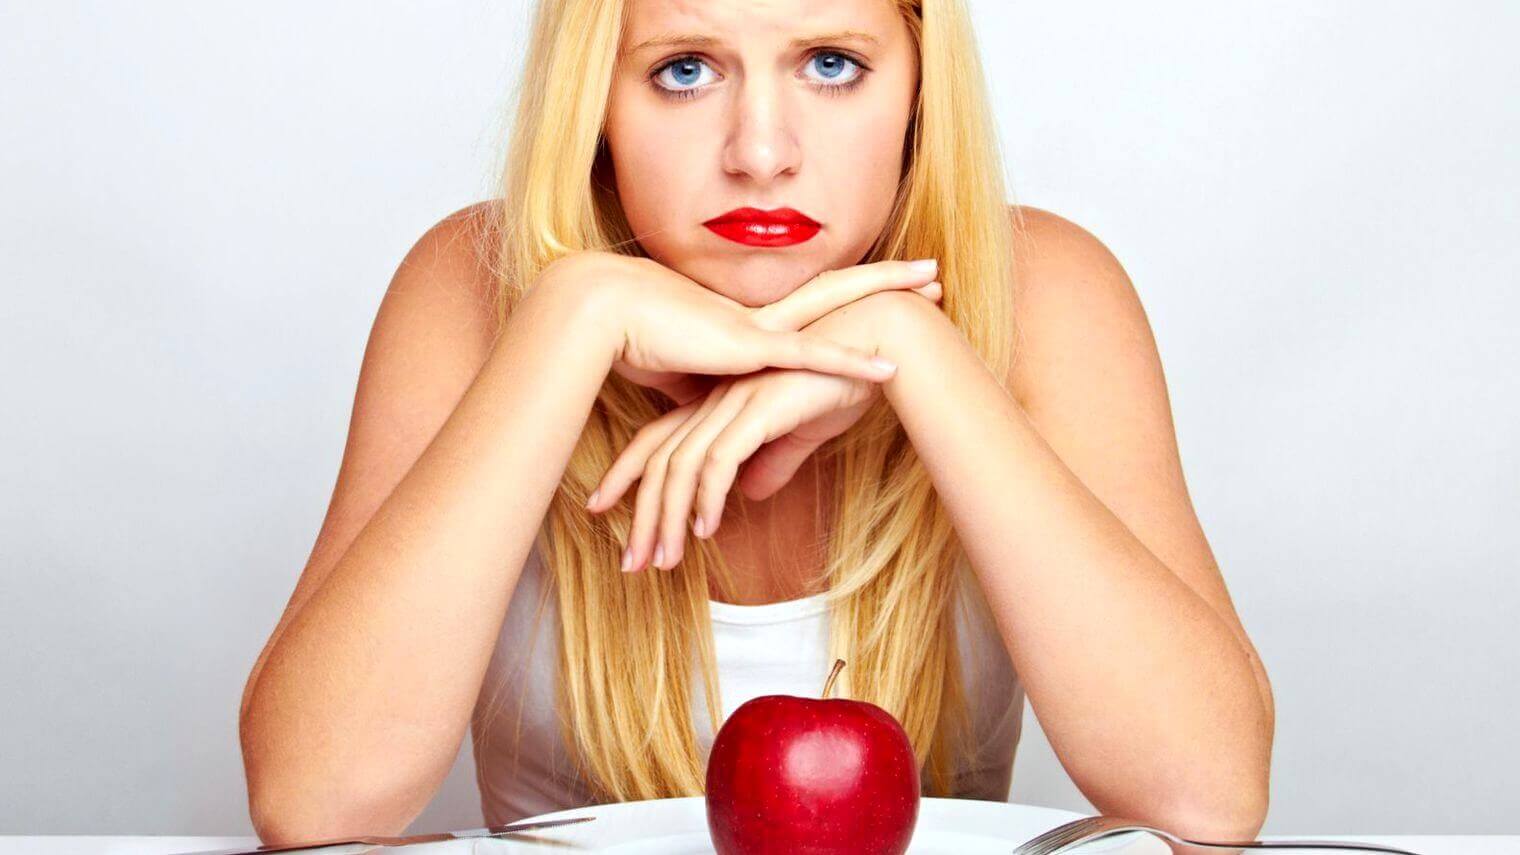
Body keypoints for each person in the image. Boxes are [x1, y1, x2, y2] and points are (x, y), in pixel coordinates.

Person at [238, 0, 1275, 845]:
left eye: (829, 63)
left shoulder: (1043, 290)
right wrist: (573, 316)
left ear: (917, 84)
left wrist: (907, 350)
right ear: (593, 96)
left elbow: (1204, 798)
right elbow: (315, 802)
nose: (761, 152)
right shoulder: (472, 291)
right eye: (684, 70)